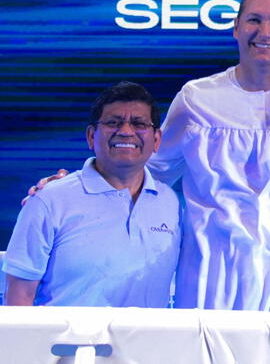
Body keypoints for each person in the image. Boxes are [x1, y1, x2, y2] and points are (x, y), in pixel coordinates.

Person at [147, 0, 270, 311]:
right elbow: (149, 171)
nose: (265, 32)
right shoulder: (196, 99)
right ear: (236, 28)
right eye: (254, 20)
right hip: (210, 279)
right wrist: (71, 190)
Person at [3, 81, 181, 307]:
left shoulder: (172, 204)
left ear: (156, 140)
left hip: (151, 342)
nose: (126, 131)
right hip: (65, 342)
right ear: (90, 136)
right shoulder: (48, 200)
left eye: (138, 123)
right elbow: (18, 299)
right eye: (113, 122)